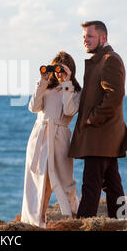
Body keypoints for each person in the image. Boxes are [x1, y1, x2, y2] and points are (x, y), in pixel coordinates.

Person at [69, 20, 127, 219]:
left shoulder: (109, 59)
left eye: (89, 36)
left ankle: (83, 224)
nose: (85, 41)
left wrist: (91, 119)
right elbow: (91, 95)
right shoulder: (99, 59)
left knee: (91, 186)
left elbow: (114, 95)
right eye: (84, 37)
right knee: (113, 185)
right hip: (104, 136)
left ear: (102, 38)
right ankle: (123, 221)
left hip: (100, 135)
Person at [21, 51, 82, 228]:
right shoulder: (46, 86)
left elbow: (70, 111)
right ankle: (35, 220)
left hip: (60, 135)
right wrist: (43, 81)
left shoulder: (75, 90)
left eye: (62, 69)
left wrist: (67, 82)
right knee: (37, 179)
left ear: (70, 70)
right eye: (56, 68)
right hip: (39, 135)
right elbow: (33, 107)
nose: (58, 73)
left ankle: (72, 216)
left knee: (65, 180)